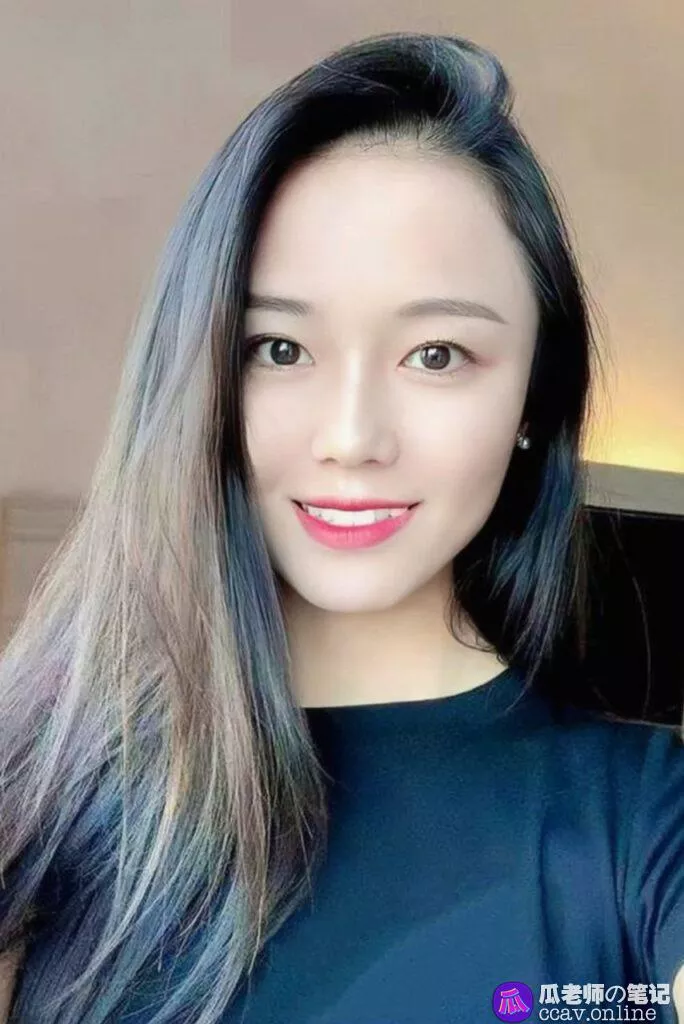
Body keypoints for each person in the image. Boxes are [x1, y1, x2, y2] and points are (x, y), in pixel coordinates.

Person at [0, 30, 682, 1024]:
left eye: (437, 354)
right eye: (280, 348)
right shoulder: (50, 778)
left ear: (535, 397)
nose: (353, 437)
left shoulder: (644, 825)